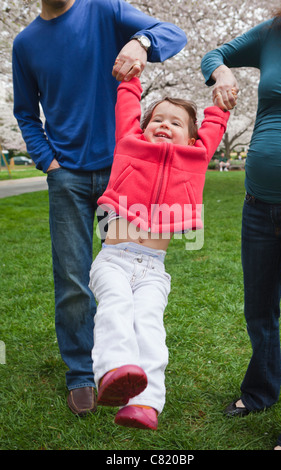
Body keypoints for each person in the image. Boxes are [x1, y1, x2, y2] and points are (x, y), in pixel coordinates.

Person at [12, 0, 187, 416]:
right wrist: (49, 163)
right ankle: (81, 375)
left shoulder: (105, 10)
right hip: (67, 177)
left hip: (122, 171)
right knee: (73, 277)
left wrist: (141, 43)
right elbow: (25, 112)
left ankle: (129, 366)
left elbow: (173, 34)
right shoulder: (25, 43)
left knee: (127, 274)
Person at [88, 76, 229, 430]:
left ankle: (146, 404)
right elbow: (127, 109)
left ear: (193, 138)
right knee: (116, 308)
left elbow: (215, 124)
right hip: (114, 260)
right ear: (144, 127)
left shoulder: (197, 157)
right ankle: (113, 371)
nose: (164, 124)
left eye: (175, 122)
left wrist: (221, 104)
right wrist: (130, 80)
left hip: (153, 269)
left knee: (149, 325)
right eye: (157, 120)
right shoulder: (129, 143)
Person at [201, 0, 281, 450]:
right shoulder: (274, 31)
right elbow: (214, 54)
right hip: (258, 205)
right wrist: (220, 73)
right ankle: (259, 391)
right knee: (259, 310)